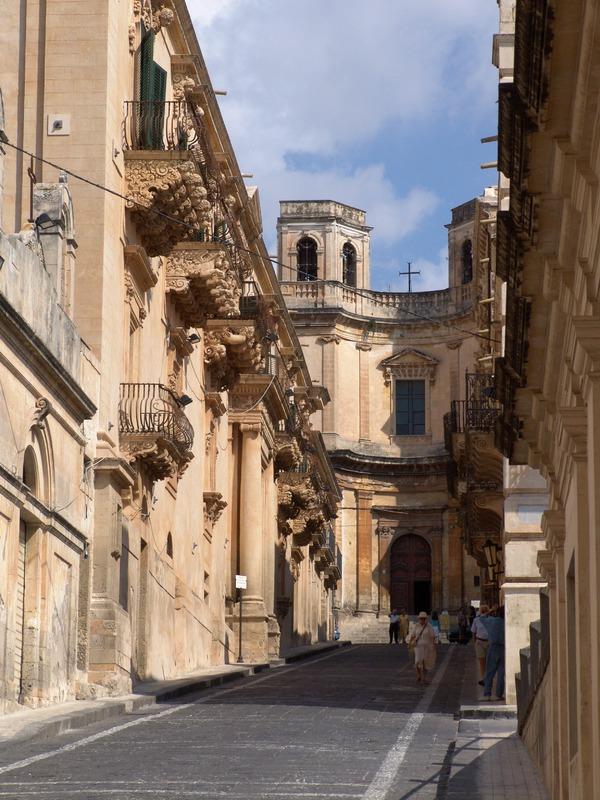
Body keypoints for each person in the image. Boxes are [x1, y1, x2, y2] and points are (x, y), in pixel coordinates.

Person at [481, 605, 505, 701]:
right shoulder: (506, 623)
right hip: (503, 648)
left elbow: (481, 617)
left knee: (490, 672)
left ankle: (487, 694)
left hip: (493, 647)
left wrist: (490, 610)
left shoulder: (491, 621)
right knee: (501, 673)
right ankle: (498, 694)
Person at [409, 611, 437, 684]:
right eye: (421, 618)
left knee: (425, 662)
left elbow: (433, 636)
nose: (422, 620)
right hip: (418, 647)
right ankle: (418, 674)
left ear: (425, 619)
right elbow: (413, 635)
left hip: (427, 646)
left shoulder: (429, 626)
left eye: (423, 618)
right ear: (419, 618)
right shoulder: (417, 625)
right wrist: (409, 643)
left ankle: (424, 678)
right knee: (418, 661)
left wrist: (433, 645)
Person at [471, 604, 489, 686]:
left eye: (485, 611)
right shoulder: (476, 620)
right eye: (483, 611)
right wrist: (475, 642)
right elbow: (474, 632)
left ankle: (488, 677)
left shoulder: (490, 619)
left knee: (489, 661)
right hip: (480, 642)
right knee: (482, 662)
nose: (484, 612)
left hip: (489, 642)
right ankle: (483, 678)